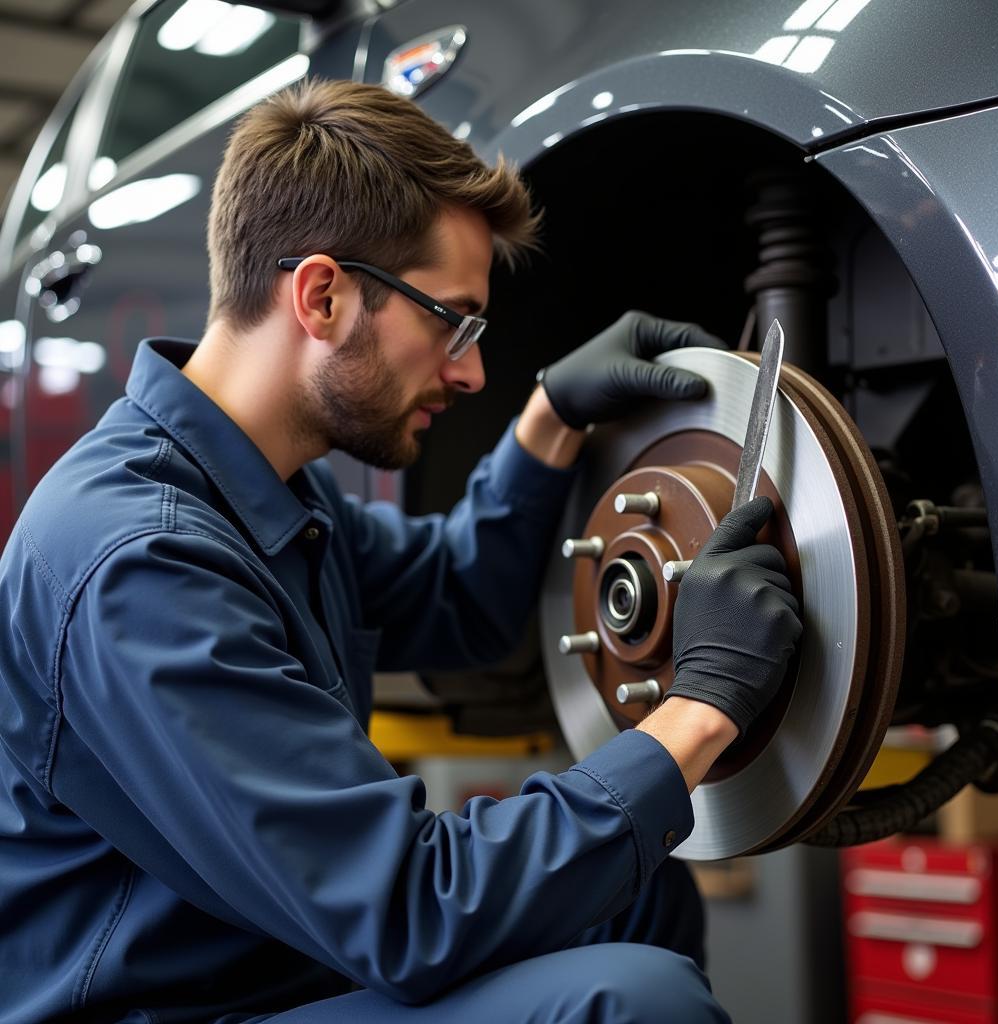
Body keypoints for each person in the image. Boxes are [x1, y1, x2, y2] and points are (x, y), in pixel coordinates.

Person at [0, 80, 800, 1023]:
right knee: (631, 1003)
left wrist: (550, 416)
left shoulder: (267, 492)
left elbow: (460, 598)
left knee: (637, 889)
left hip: (279, 960)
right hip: (182, 1006)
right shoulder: (141, 561)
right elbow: (412, 914)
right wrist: (699, 709)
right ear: (323, 295)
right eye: (452, 322)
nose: (470, 372)